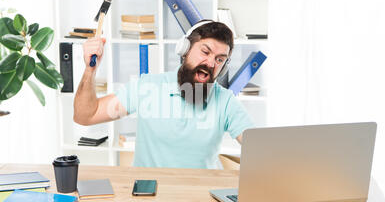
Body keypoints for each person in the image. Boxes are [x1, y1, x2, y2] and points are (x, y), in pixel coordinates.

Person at [74, 20, 254, 168]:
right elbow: (85, 116)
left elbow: (257, 147)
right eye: (205, 52)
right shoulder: (147, 88)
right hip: (151, 197)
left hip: (202, 196)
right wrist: (90, 69)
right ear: (184, 50)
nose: (210, 63)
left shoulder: (225, 101)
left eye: (219, 59)